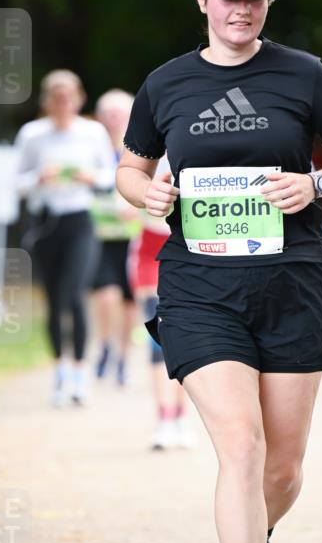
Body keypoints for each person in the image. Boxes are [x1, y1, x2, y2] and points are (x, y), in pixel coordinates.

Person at [116, 0, 322, 543]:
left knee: (281, 467)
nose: (242, 10)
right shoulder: (166, 83)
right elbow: (128, 171)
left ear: (265, 3)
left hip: (292, 280)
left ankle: (253, 536)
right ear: (203, 0)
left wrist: (314, 183)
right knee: (240, 441)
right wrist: (149, 192)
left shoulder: (303, 74)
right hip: (199, 284)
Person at [16, 70, 115, 406]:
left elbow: (110, 175)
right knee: (55, 299)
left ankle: (79, 372)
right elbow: (17, 182)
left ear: (78, 98)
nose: (63, 104)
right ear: (47, 101)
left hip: (81, 220)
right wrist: (39, 178)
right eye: (56, 98)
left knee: (75, 292)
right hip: (46, 222)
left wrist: (90, 177)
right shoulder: (32, 135)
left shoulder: (92, 132)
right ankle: (60, 369)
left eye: (68, 97)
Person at [130, 156, 192, 450]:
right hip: (151, 258)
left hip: (193, 259)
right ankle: (164, 418)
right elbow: (124, 205)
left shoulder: (204, 151)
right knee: (158, 343)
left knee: (187, 344)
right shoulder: (145, 156)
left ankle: (181, 416)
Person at [91, 90, 142, 386]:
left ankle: (123, 357)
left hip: (132, 236)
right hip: (100, 233)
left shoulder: (140, 147)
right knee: (105, 295)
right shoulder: (92, 147)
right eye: (109, 113)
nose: (114, 119)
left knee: (129, 300)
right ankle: (105, 346)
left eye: (120, 113)